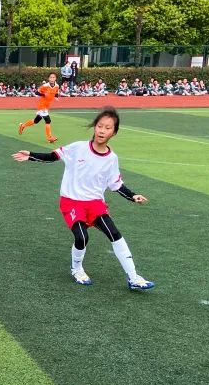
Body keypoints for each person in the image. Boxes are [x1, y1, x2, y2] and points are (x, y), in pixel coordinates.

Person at [12, 107, 155, 291]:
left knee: (115, 234)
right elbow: (53, 156)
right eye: (100, 126)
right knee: (81, 237)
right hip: (71, 201)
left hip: (95, 204)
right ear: (94, 127)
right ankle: (77, 269)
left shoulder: (112, 158)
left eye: (108, 128)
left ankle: (134, 278)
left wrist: (133, 196)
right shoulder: (78, 148)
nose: (102, 130)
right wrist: (31, 155)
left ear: (114, 132)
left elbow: (116, 184)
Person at [18, 71, 60, 143]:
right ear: (48, 78)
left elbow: (56, 92)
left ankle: (22, 125)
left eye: (53, 77)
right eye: (51, 77)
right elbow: (36, 92)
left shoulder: (57, 86)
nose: (52, 79)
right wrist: (44, 95)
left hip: (47, 105)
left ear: (55, 78)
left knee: (36, 121)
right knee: (48, 120)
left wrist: (56, 97)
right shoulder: (45, 86)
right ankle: (49, 138)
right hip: (42, 105)